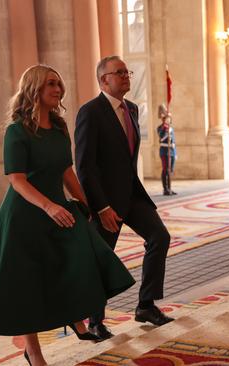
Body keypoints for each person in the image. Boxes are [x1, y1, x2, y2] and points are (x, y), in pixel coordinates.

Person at [0, 65, 134, 366]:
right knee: (27, 284)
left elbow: (66, 171)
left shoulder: (59, 127)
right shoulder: (16, 131)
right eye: (50, 84)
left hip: (59, 208)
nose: (57, 89)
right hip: (25, 216)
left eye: (58, 83)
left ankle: (74, 314)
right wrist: (48, 206)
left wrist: (91, 204)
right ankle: (33, 351)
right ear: (34, 89)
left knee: (82, 259)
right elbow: (17, 180)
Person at [75, 56, 174, 340]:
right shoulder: (90, 112)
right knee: (102, 259)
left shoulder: (131, 108)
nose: (126, 76)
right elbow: (85, 165)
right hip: (106, 201)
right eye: (119, 73)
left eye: (126, 72)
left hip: (132, 194)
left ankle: (146, 305)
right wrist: (100, 206)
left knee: (159, 237)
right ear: (103, 80)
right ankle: (95, 321)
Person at [157, 105, 177, 196]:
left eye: (169, 118)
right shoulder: (160, 128)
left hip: (171, 151)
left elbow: (174, 141)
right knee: (166, 169)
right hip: (164, 151)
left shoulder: (171, 129)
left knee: (171, 170)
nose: (169, 120)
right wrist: (165, 128)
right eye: (167, 118)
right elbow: (161, 137)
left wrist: (175, 153)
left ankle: (170, 188)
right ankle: (165, 189)